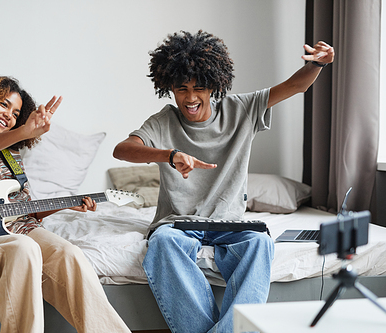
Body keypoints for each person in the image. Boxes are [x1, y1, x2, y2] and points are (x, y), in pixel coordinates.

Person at [113, 30, 334, 333]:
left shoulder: (241, 109)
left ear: (214, 85)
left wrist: (317, 65)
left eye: (199, 88)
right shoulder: (163, 121)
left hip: (229, 224)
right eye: (181, 89)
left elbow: (295, 86)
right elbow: (122, 150)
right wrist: (168, 154)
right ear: (169, 88)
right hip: (178, 223)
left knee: (260, 242)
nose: (190, 98)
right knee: (163, 243)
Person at [0, 73, 131, 333]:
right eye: (4, 105)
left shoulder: (12, 155)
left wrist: (66, 204)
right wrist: (24, 130)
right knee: (23, 247)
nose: (10, 115)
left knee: (68, 253)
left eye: (16, 113)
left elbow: (26, 211)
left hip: (19, 228)